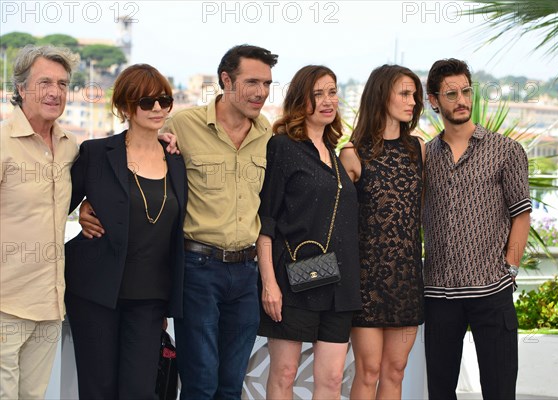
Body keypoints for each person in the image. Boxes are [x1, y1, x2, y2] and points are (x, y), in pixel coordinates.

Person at [79, 44, 278, 399]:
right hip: (197, 269)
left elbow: (270, 211)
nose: (261, 92)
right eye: (252, 82)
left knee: (231, 384)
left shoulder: (268, 136)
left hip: (245, 274)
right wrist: (87, 205)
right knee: (200, 382)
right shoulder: (182, 126)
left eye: (267, 83)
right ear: (226, 81)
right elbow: (129, 151)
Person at [65, 63, 187, 399]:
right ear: (126, 107)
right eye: (147, 102)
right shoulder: (96, 153)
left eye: (164, 100)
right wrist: (82, 210)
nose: (158, 108)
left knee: (139, 391)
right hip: (94, 293)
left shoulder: (176, 159)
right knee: (98, 390)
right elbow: (55, 205)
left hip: (150, 299)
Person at [423, 58, 531, 400]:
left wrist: (510, 270)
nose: (461, 100)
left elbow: (521, 214)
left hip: (492, 291)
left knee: (500, 390)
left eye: (466, 91)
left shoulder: (506, 151)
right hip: (438, 294)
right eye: (451, 93)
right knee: (440, 391)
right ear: (434, 100)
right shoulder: (424, 157)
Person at [257, 65, 361, 400]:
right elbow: (266, 222)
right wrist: (270, 285)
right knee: (284, 375)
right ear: (301, 100)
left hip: (339, 285)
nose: (328, 101)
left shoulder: (335, 152)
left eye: (332, 91)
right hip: (293, 282)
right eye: (318, 94)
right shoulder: (282, 147)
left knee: (331, 380)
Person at [339, 64, 425, 399]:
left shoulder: (420, 150)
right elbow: (337, 225)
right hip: (366, 283)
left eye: (415, 95)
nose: (413, 101)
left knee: (396, 371)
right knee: (368, 371)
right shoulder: (351, 154)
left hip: (406, 280)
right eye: (405, 93)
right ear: (380, 95)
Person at [0, 45, 79, 400]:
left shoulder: (70, 147)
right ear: (20, 89)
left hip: (49, 306)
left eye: (62, 84)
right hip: (5, 303)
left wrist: (165, 139)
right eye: (44, 82)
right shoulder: (3, 144)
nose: (55, 92)